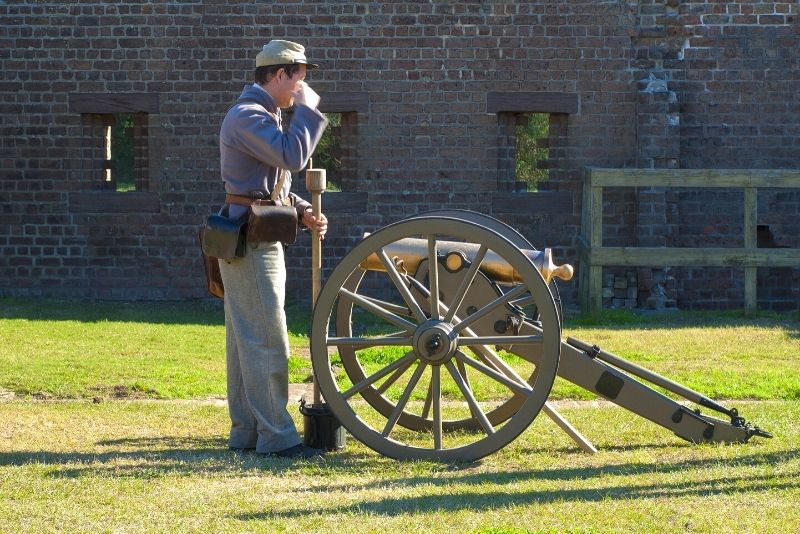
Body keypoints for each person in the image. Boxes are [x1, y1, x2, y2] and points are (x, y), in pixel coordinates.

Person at [218, 40, 329, 458]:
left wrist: (301, 211)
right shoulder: (246, 115)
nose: (302, 85)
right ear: (280, 74)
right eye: (300, 76)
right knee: (266, 338)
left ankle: (247, 430)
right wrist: (310, 110)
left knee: (246, 338)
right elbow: (293, 156)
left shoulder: (262, 116)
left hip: (258, 230)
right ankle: (276, 438)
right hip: (251, 237)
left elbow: (270, 183)